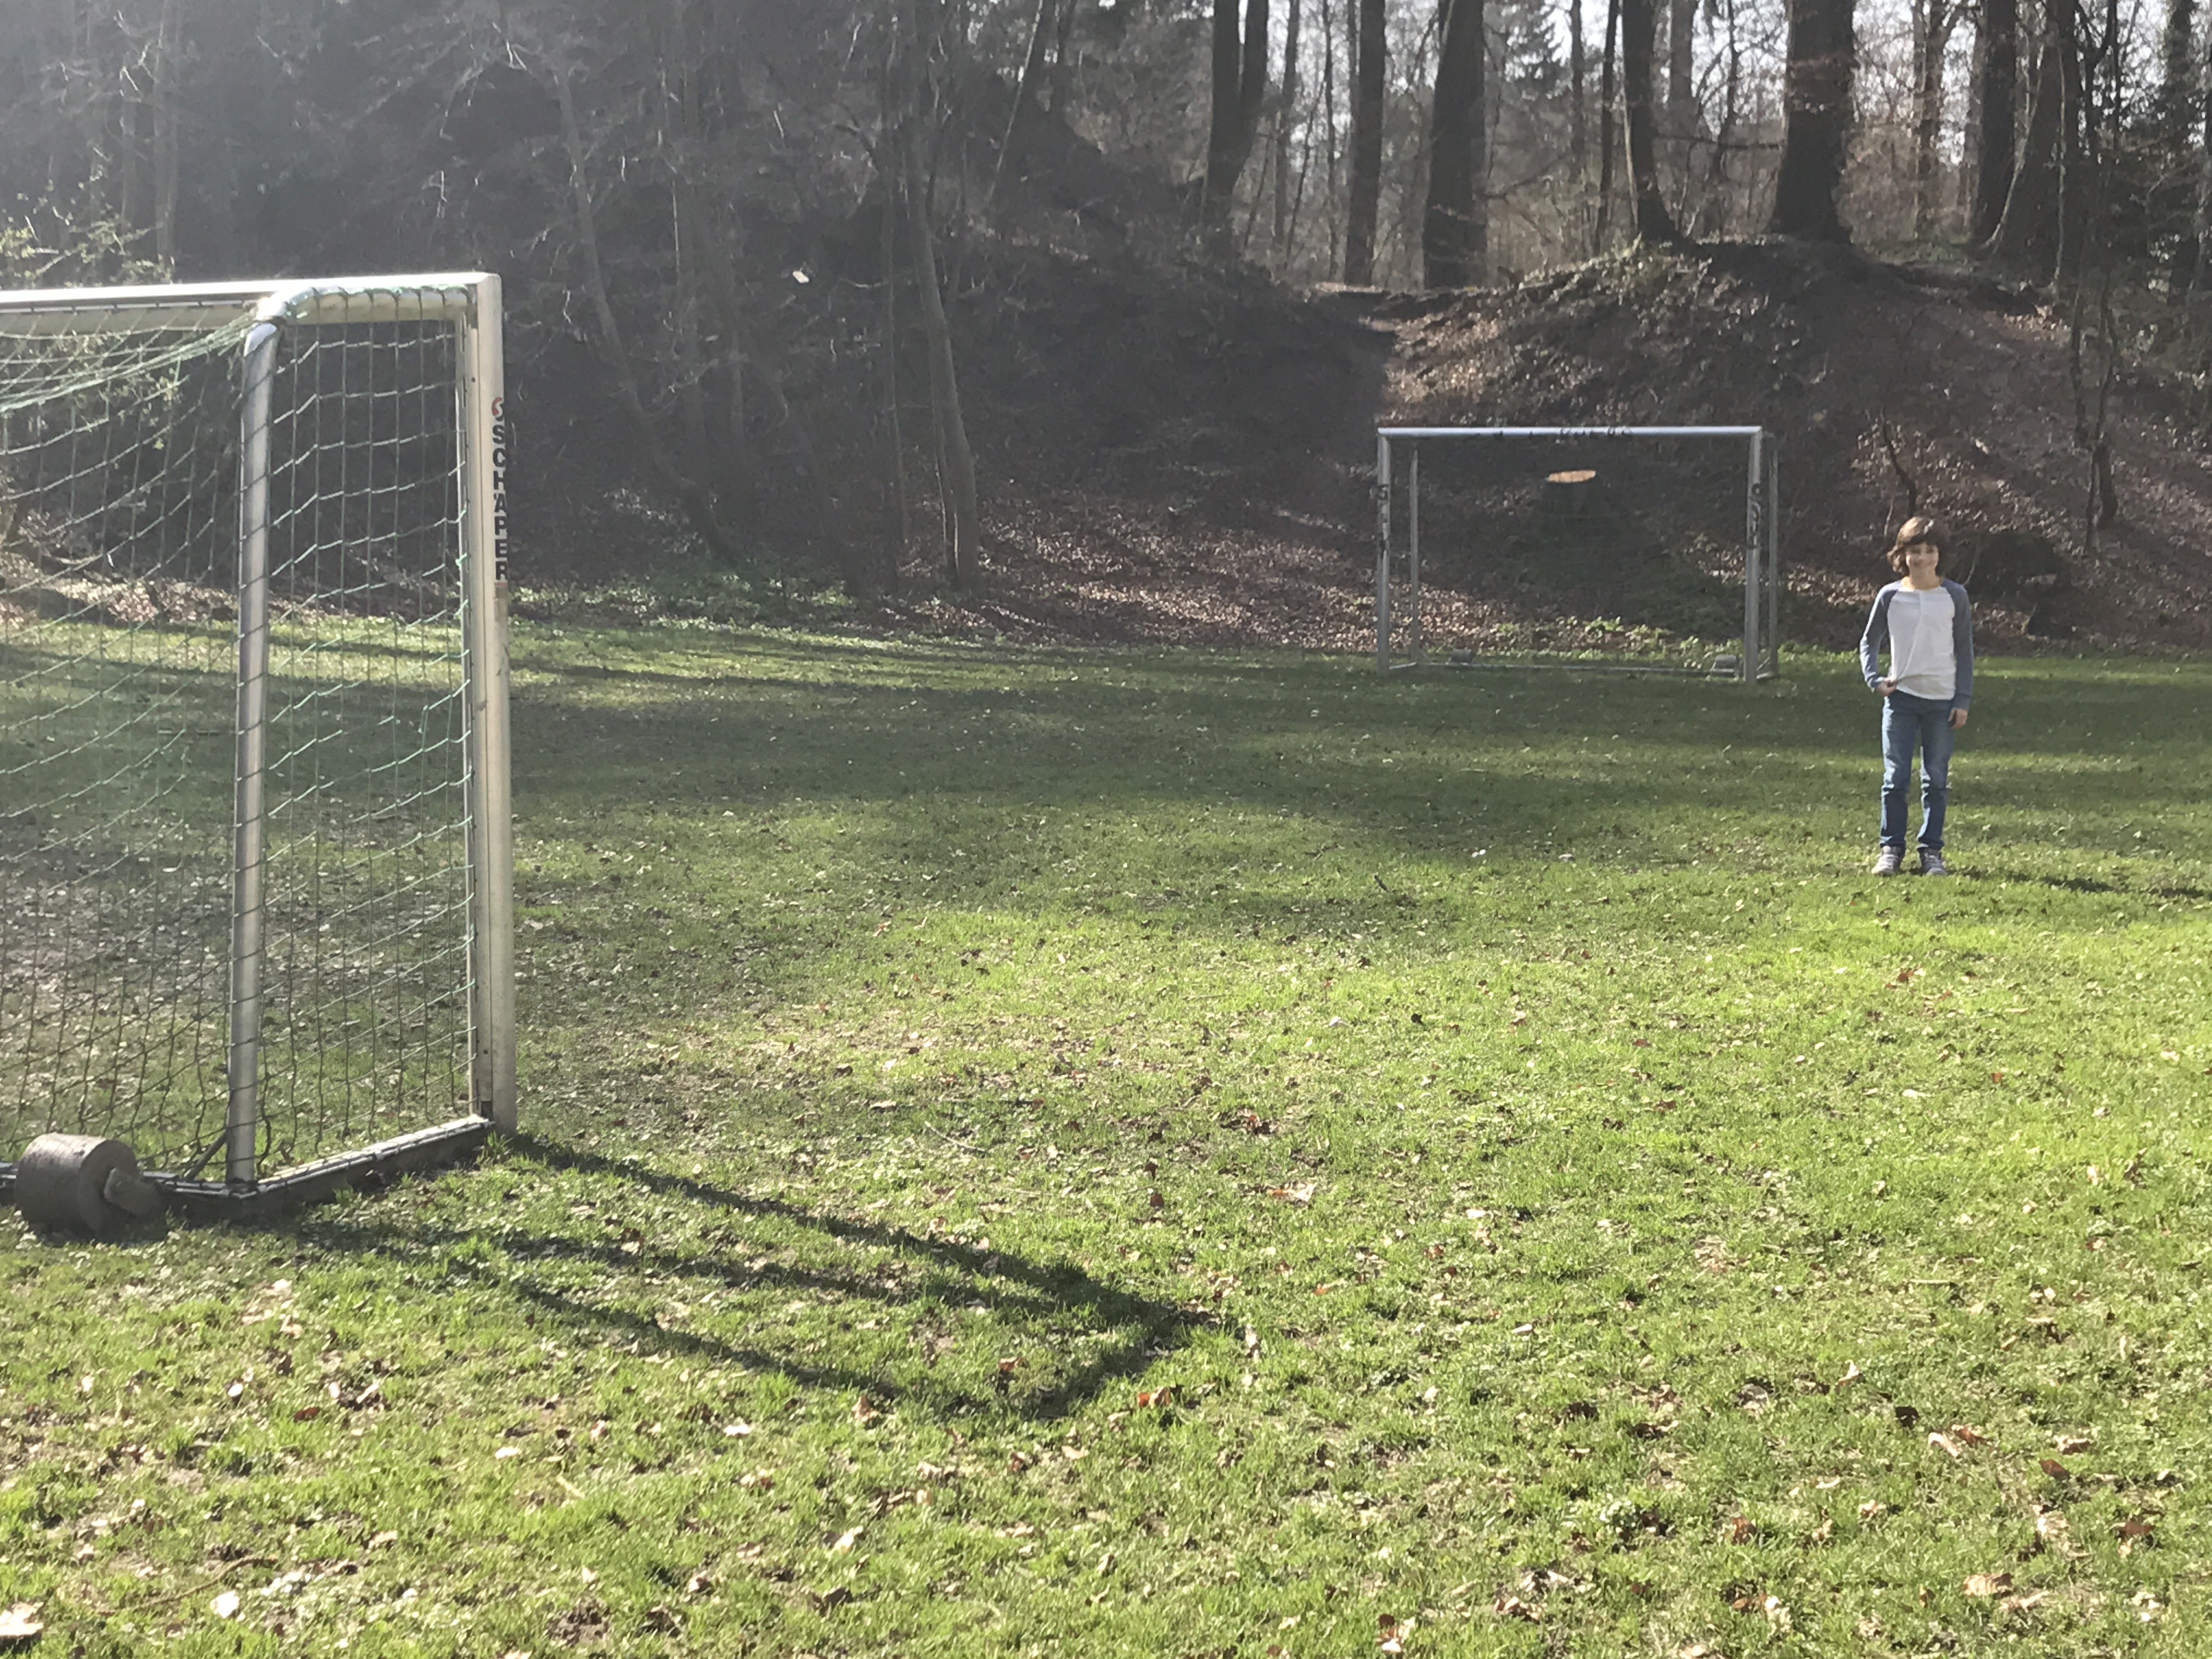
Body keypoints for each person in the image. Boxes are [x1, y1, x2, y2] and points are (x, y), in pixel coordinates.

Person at [1859, 516, 1972, 877]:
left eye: (1929, 551)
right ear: (1902, 555)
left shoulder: (1954, 596)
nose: (1922, 558)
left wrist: (1963, 699)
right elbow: (1869, 641)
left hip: (1942, 700)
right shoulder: (1891, 596)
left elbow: (1965, 651)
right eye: (1914, 551)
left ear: (1940, 556)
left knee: (1936, 778)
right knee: (1895, 778)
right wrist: (1874, 678)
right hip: (1901, 700)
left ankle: (1932, 852)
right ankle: (1891, 849)